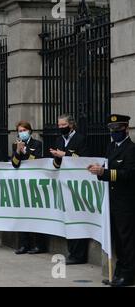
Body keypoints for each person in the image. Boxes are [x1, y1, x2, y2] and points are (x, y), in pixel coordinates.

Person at [88, 114, 135, 287]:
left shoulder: (131, 149)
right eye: (111, 130)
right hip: (112, 202)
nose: (114, 133)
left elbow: (129, 174)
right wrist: (97, 171)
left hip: (125, 203)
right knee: (116, 239)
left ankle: (128, 275)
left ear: (126, 129)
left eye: (117, 129)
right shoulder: (110, 147)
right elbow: (106, 170)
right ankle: (118, 272)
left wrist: (104, 173)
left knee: (126, 240)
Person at [50, 114, 89, 265]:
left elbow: (84, 158)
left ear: (71, 125)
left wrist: (64, 154)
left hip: (78, 183)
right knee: (68, 218)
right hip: (64, 183)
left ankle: (79, 254)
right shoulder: (59, 140)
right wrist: (56, 157)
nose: (61, 128)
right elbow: (57, 164)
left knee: (77, 218)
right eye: (59, 125)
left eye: (63, 125)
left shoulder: (80, 139)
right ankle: (72, 252)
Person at [11, 121, 47, 255]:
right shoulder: (16, 145)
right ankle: (23, 244)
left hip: (34, 182)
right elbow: (15, 163)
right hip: (21, 183)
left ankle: (39, 244)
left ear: (30, 131)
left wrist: (25, 152)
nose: (22, 133)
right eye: (20, 130)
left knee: (36, 214)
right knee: (22, 214)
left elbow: (36, 160)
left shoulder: (37, 144)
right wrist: (18, 152)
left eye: (24, 130)